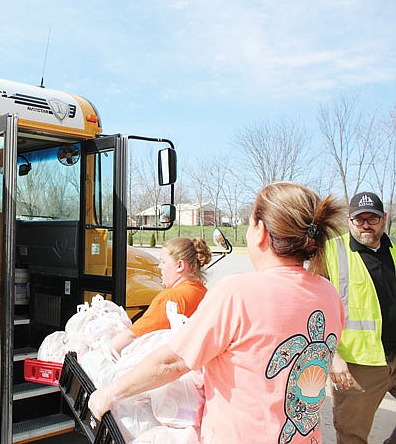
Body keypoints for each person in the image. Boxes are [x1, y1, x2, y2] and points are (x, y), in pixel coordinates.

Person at [89, 181, 346, 443]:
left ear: (261, 232)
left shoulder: (238, 293)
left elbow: (173, 362)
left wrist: (108, 394)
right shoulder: (329, 294)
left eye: (250, 223)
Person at [325, 191, 396, 444]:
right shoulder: (331, 252)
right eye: (359, 219)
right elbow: (315, 310)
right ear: (349, 220)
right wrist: (332, 356)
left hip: (393, 356)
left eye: (373, 218)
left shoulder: (394, 250)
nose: (366, 224)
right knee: (352, 436)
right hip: (357, 367)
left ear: (384, 218)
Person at [110, 237, 212, 354]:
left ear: (180, 265)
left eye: (163, 262)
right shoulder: (204, 293)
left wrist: (96, 354)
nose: (159, 267)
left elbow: (132, 336)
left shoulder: (170, 299)